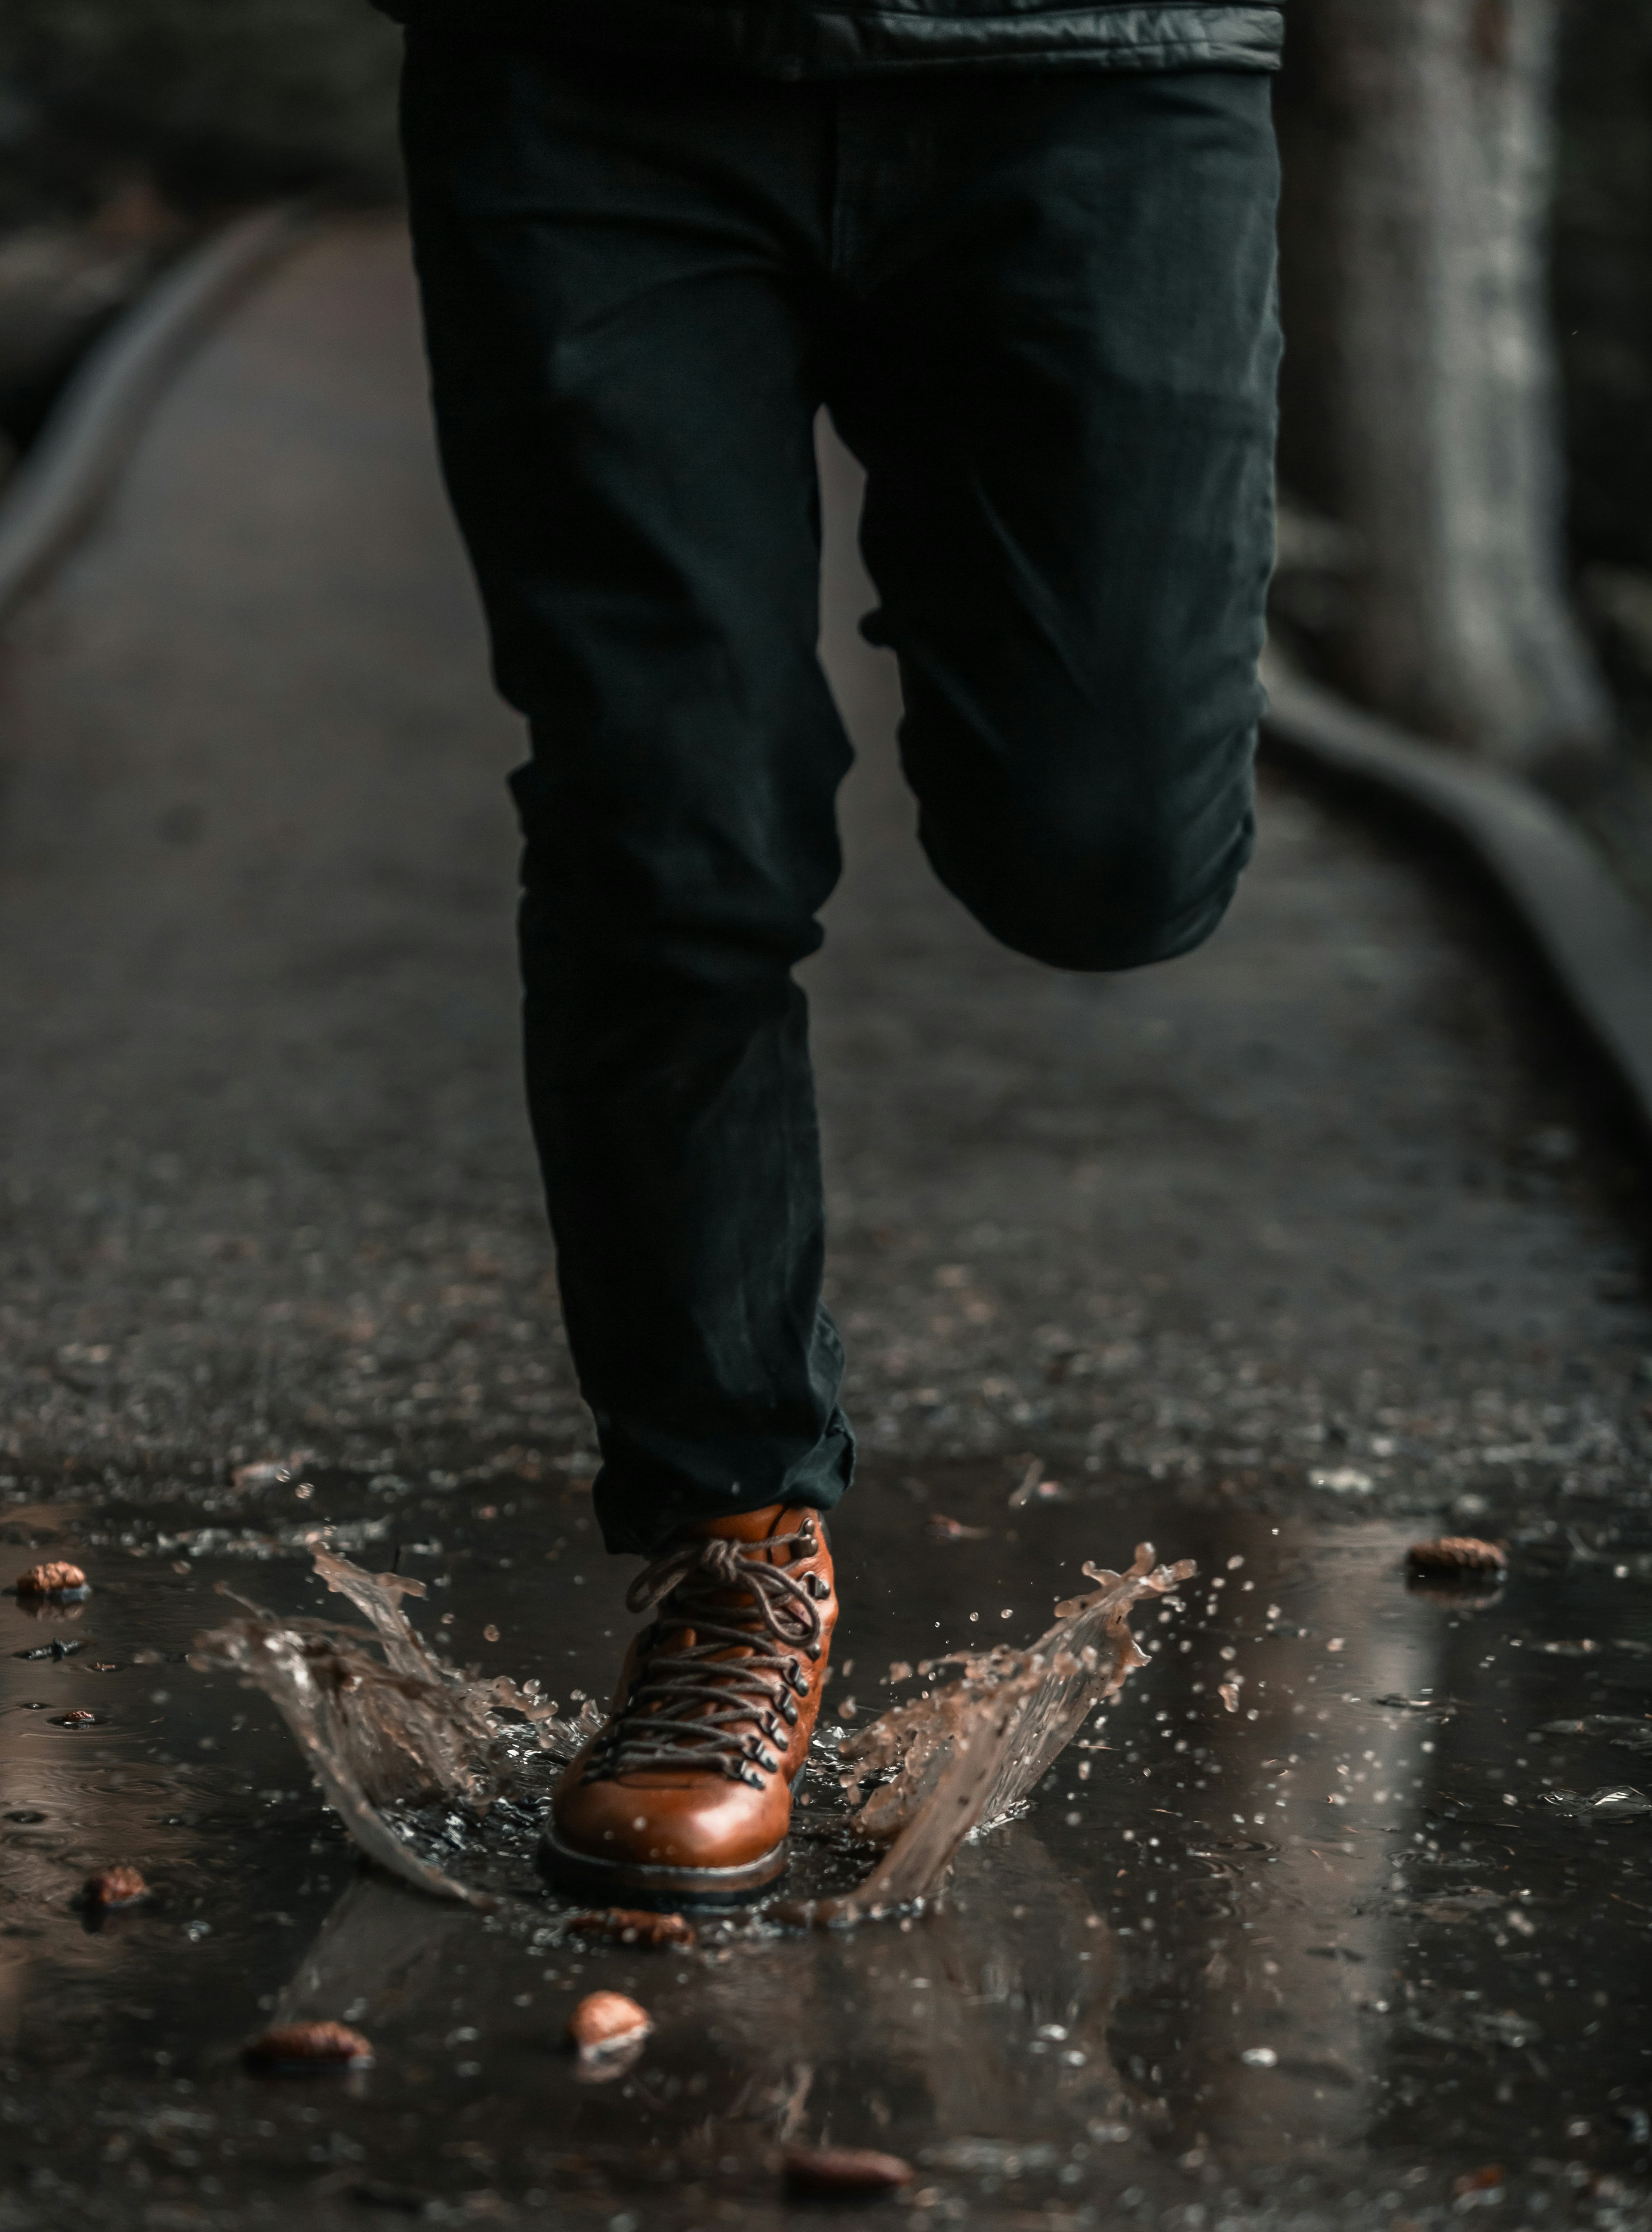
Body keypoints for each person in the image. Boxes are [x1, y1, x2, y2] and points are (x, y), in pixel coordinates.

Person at [380, 0, 1283, 1902]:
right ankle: (728, 1551)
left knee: (1108, 852)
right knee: (662, 818)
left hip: (1094, 65)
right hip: (584, 90)